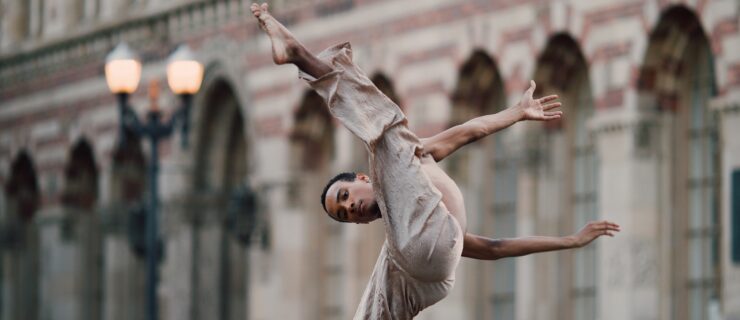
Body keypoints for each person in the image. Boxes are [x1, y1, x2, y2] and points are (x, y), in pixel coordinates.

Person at [251, 3, 621, 319]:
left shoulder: (411, 157)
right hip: (416, 263)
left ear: (362, 179)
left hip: (434, 269)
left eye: (346, 197)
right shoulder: (398, 221)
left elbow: (494, 244)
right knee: (385, 138)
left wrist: (517, 113)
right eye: (347, 214)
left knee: (390, 136)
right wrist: (569, 241)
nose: (354, 208)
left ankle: (299, 54)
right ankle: (299, 55)